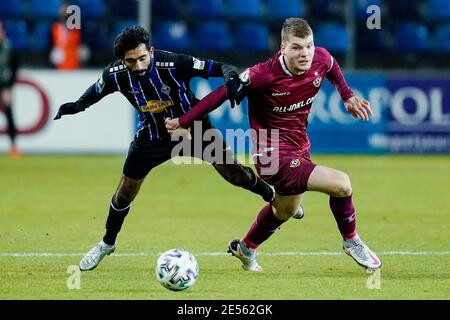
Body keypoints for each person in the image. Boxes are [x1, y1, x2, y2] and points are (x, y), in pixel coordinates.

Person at [53, 26, 281, 271]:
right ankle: (107, 244)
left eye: (142, 58)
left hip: (194, 130)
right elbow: (94, 92)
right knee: (125, 192)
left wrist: (232, 79)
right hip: (151, 137)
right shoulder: (115, 74)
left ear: (150, 51)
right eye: (131, 61)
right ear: (122, 60)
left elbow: (221, 66)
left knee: (237, 174)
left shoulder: (174, 63)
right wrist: (77, 106)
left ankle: (273, 197)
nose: (139, 66)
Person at [165, 18, 382, 272]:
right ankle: (351, 241)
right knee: (341, 184)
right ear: (283, 47)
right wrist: (184, 120)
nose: (305, 54)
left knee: (284, 210)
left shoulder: (320, 58)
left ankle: (246, 248)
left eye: (309, 46)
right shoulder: (262, 75)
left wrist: (347, 95)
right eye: (297, 48)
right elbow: (220, 94)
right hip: (271, 156)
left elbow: (332, 66)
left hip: (299, 147)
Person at [0, 20, 20, 157]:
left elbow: (14, 69)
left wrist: (8, 88)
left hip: (3, 86)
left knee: (9, 115)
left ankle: (13, 147)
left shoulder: (9, 48)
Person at [49, 2, 84, 70]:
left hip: (75, 61)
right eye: (63, 12)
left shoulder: (78, 28)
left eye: (67, 12)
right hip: (59, 63)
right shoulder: (54, 27)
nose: (65, 14)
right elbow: (50, 45)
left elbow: (82, 44)